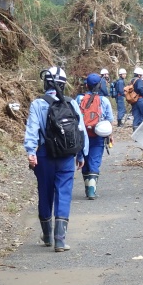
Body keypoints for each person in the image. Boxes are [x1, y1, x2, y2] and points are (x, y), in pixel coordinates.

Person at [24, 66, 89, 252]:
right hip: (67, 156)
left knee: (45, 193)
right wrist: (81, 154)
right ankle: (60, 239)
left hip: (44, 155)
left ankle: (46, 235)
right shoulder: (71, 103)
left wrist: (31, 151)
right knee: (64, 194)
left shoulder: (38, 103)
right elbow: (80, 130)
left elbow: (32, 128)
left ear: (46, 83)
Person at [76, 73, 114, 199]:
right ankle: (92, 190)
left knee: (84, 161)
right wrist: (110, 134)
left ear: (86, 85)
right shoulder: (104, 101)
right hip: (98, 135)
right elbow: (109, 120)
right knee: (94, 161)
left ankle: (88, 188)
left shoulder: (79, 99)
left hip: (82, 134)